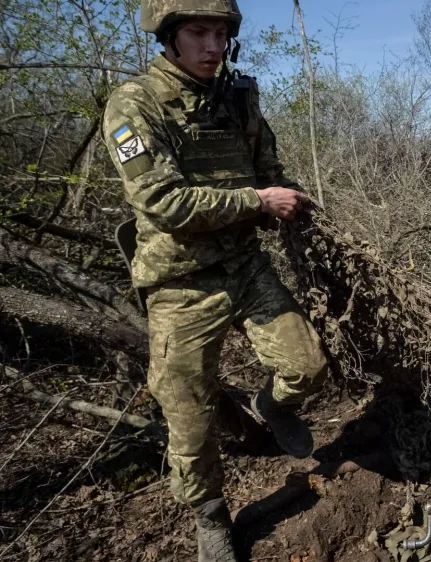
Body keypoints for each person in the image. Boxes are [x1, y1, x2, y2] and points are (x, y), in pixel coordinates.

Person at [102, 2, 328, 560]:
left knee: (308, 368)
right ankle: (210, 516)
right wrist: (255, 200)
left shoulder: (238, 97)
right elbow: (161, 201)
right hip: (180, 281)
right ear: (170, 38)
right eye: (198, 33)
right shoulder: (134, 104)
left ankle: (271, 408)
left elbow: (268, 171)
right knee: (188, 412)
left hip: (245, 265)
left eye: (221, 33)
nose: (212, 46)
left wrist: (291, 198)